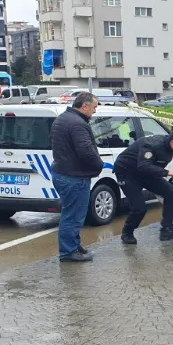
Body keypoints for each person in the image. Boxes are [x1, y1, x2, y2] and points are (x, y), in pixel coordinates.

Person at [50, 92, 104, 263]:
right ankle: (68, 252)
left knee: (71, 214)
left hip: (63, 173)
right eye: (94, 107)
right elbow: (86, 151)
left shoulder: (62, 119)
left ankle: (73, 245)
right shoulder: (78, 124)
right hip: (73, 177)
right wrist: (99, 165)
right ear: (85, 106)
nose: (94, 112)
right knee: (73, 216)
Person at [114, 129, 173, 244]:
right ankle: (127, 233)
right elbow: (143, 166)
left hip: (146, 173)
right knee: (139, 207)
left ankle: (167, 229)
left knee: (172, 192)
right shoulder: (152, 145)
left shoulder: (169, 147)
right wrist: (167, 172)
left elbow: (150, 168)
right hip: (127, 173)